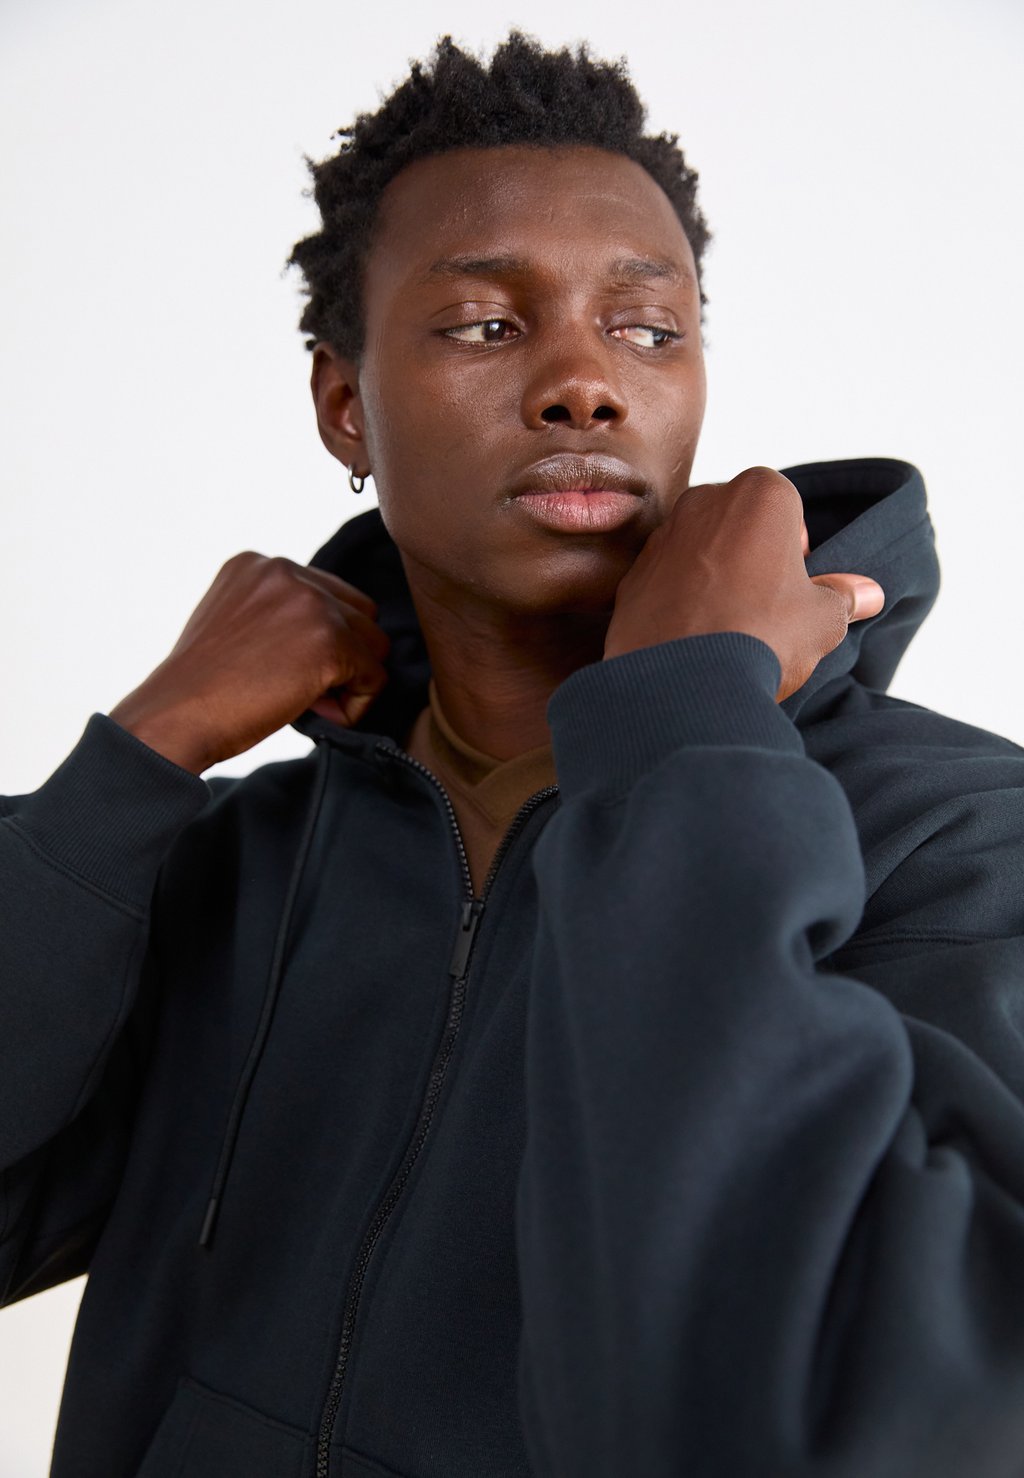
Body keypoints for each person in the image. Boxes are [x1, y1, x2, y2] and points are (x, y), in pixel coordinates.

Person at [2, 28, 1023, 1478]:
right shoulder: (233, 868)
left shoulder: (952, 840)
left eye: (647, 330)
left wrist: (683, 723)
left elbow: (828, 1423)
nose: (583, 386)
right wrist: (139, 756)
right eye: (486, 325)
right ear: (344, 403)